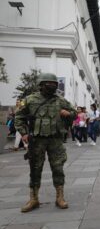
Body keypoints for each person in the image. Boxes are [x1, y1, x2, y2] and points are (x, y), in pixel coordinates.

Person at [14, 72, 77, 212]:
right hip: (37, 141)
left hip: (55, 140)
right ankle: (34, 198)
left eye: (55, 83)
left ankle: (60, 197)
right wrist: (23, 133)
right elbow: (19, 117)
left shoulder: (61, 100)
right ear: (41, 85)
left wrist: (69, 114)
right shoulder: (30, 100)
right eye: (49, 83)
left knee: (58, 168)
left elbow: (74, 113)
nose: (52, 85)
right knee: (35, 169)